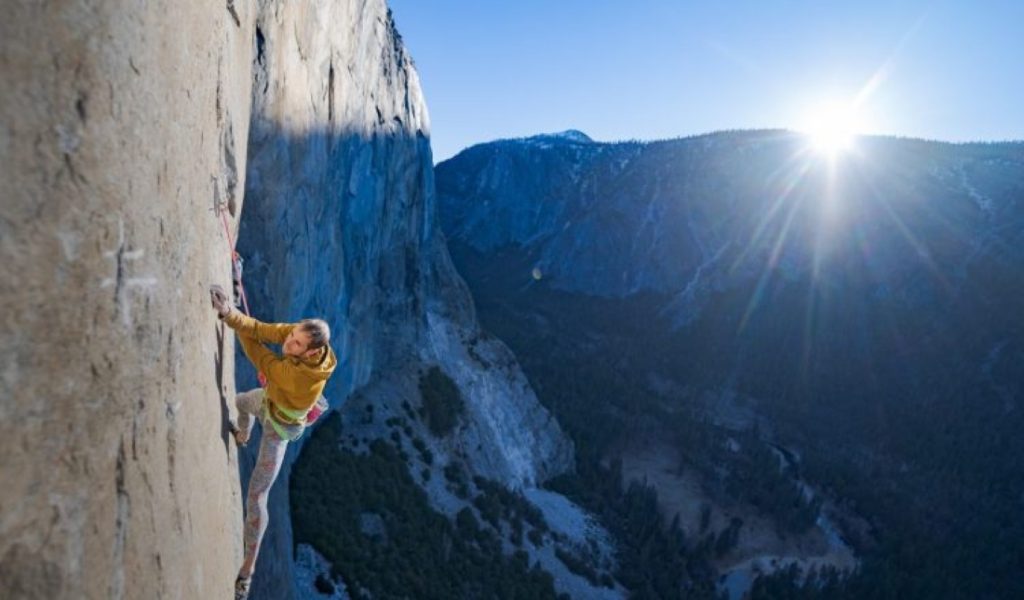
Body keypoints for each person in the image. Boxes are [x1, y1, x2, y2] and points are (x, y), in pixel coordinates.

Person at [209, 284, 337, 600]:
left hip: (278, 430)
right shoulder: (301, 338)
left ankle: (246, 572)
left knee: (257, 497)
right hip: (268, 403)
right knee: (240, 403)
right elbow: (265, 331)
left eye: (294, 343)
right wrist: (234, 315)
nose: (288, 342)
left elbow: (260, 356)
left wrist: (229, 315)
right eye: (291, 336)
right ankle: (242, 435)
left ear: (310, 353)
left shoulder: (302, 377)